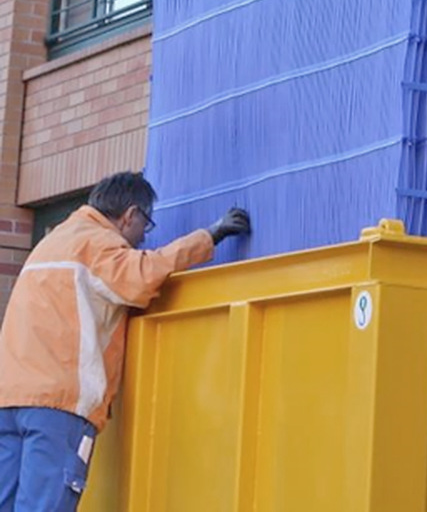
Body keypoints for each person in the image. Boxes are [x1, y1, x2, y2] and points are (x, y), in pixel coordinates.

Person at [0, 171, 251, 512]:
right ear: (130, 214)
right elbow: (143, 275)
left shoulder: (55, 240)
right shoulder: (96, 243)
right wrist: (211, 235)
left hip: (10, 401)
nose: (140, 239)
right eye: (145, 227)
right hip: (56, 405)